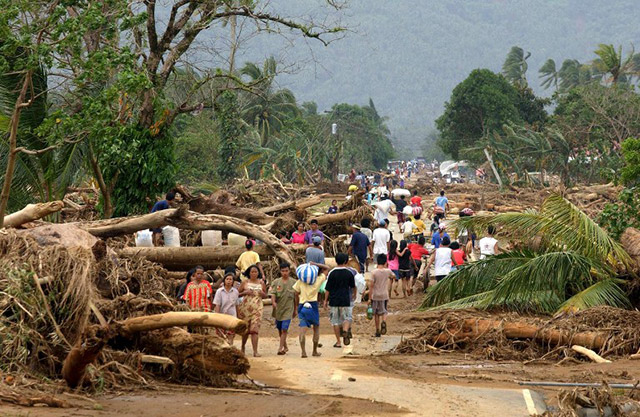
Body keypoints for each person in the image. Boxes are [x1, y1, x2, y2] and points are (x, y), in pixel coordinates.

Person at [293, 263, 326, 358]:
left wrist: (296, 307)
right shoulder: (318, 280)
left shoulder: (301, 281)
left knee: (302, 330)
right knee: (316, 328)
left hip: (302, 305)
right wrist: (314, 263)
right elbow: (327, 268)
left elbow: (295, 293)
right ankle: (314, 351)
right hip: (313, 305)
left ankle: (303, 352)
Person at [324, 253, 356, 347]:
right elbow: (353, 286)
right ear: (346, 261)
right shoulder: (349, 273)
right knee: (347, 317)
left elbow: (328, 288)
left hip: (334, 300)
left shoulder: (332, 273)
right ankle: (345, 330)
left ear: (336, 261)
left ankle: (338, 342)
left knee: (335, 321)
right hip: (345, 298)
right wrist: (354, 294)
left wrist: (325, 300)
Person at [237, 265, 267, 357]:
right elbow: (237, 294)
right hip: (245, 308)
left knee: (254, 330)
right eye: (252, 272)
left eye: (255, 272)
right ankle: (243, 347)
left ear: (258, 273)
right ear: (249, 273)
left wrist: (262, 294)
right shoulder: (245, 282)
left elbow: (265, 295)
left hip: (257, 308)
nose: (254, 273)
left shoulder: (261, 283)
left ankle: (255, 351)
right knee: (246, 330)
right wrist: (245, 293)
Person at [269, 262, 298, 355]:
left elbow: (296, 297)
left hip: (289, 308)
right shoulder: (276, 282)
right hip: (278, 309)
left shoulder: (294, 282)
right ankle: (285, 346)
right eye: (283, 271)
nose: (285, 272)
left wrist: (296, 309)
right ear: (280, 271)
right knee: (279, 328)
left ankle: (280, 348)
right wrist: (273, 302)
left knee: (284, 329)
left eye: (286, 271)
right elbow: (273, 293)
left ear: (289, 271)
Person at [366, 254, 395, 337]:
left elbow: (371, 286)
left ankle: (377, 330)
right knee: (384, 311)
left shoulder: (373, 272)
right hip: (384, 295)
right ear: (385, 262)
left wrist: (369, 298)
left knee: (376, 314)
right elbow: (394, 276)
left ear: (377, 262)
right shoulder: (387, 271)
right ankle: (384, 321)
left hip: (375, 295)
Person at [213, 272, 240, 344]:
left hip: (232, 317)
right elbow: (217, 305)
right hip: (222, 316)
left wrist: (238, 317)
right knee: (221, 336)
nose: (229, 281)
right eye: (227, 279)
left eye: (230, 279)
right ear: (224, 280)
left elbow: (237, 305)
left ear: (233, 281)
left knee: (231, 336)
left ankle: (230, 350)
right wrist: (217, 317)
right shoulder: (219, 292)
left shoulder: (235, 292)